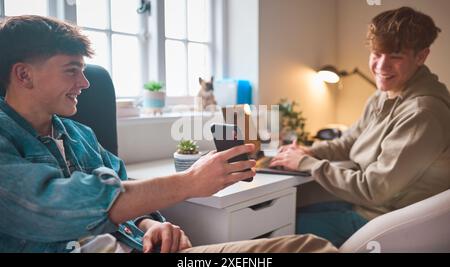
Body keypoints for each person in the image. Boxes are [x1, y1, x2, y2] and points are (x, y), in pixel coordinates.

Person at [0, 15, 338, 253]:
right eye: (72, 71)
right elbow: (55, 207)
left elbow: (124, 192)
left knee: (307, 247)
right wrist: (190, 182)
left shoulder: (79, 135)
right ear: (24, 75)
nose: (85, 84)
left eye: (84, 72)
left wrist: (152, 226)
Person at [271, 6, 450, 247]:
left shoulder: (422, 112)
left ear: (421, 56)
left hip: (387, 222)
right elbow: (350, 140)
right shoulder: (386, 94)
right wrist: (310, 152)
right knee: (286, 210)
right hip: (373, 208)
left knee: (275, 226)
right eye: (377, 54)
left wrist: (307, 164)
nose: (381, 66)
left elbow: (373, 189)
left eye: (396, 56)